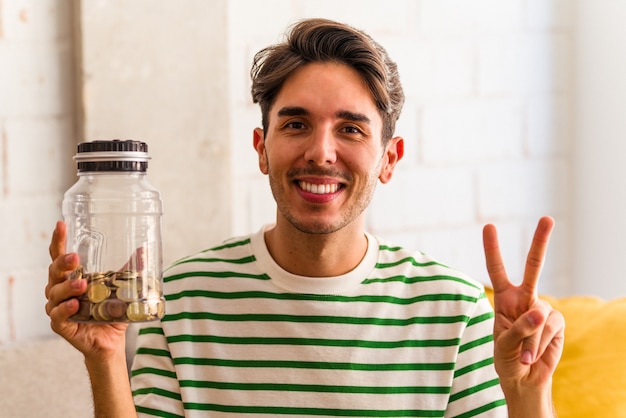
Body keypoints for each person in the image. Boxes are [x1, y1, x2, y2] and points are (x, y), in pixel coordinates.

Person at [45, 18, 564, 417]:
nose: (321, 152)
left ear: (389, 159)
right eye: (296, 124)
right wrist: (106, 358)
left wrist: (527, 398)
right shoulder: (181, 296)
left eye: (352, 130)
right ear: (262, 149)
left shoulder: (456, 309)